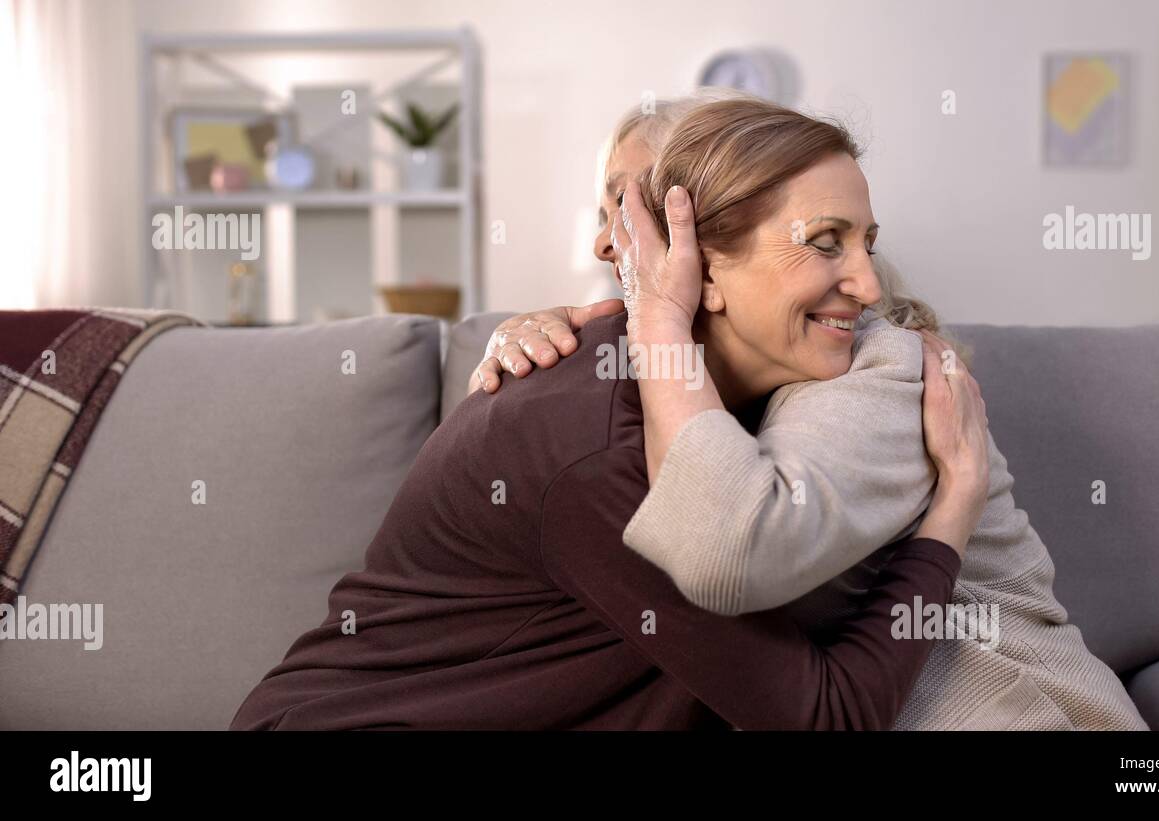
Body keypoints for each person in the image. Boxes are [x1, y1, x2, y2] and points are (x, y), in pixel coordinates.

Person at [228, 97, 989, 731]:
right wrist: (952, 512)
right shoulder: (594, 446)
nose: (862, 281)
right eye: (826, 244)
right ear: (702, 264)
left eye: (865, 245)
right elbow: (825, 716)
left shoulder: (759, 402)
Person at [475, 94, 1148, 730]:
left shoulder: (872, 367)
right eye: (608, 211)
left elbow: (727, 549)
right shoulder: (686, 376)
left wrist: (656, 320)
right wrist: (556, 332)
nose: (611, 241)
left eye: (640, 200)